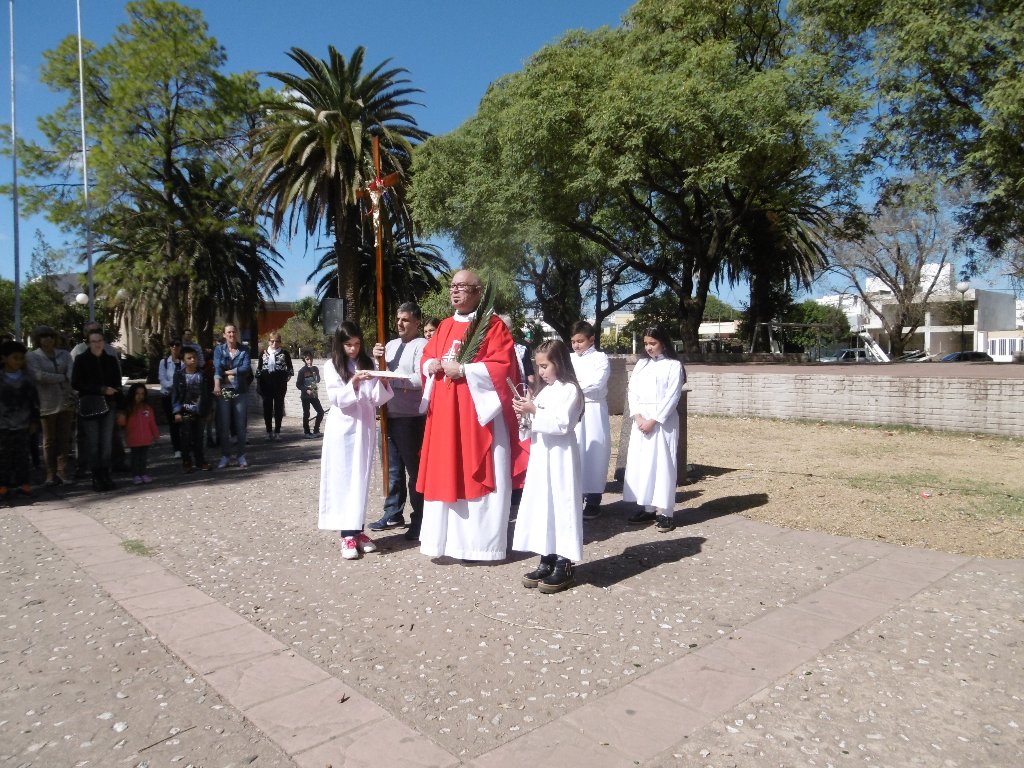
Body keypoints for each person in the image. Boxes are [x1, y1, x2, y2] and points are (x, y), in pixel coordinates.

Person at [416, 269, 529, 562]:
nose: (455, 291)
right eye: (452, 286)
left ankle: (481, 546)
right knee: (446, 470)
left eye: (462, 287)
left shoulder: (493, 327)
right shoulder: (442, 327)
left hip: (478, 418)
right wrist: (432, 365)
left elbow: (504, 367)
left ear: (478, 292)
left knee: (480, 472)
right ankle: (445, 543)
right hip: (445, 417)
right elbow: (427, 356)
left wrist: (465, 369)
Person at [511, 339, 585, 593]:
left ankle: (564, 561)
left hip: (561, 456)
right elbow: (533, 426)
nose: (540, 371)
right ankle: (547, 555)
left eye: (545, 366)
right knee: (544, 504)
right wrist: (524, 414)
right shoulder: (545, 391)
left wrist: (534, 411)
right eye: (538, 366)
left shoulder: (570, 390)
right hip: (542, 456)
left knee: (562, 504)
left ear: (559, 363)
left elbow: (562, 424)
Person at [317, 322, 393, 560]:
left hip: (364, 427)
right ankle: (346, 535)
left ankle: (358, 530)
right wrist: (356, 382)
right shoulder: (331, 366)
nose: (353, 349)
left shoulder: (366, 363)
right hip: (342, 430)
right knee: (343, 479)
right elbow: (337, 398)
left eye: (357, 344)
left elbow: (377, 398)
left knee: (361, 477)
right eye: (348, 345)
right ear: (340, 344)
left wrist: (383, 377)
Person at [369, 302, 428, 539]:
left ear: (417, 322)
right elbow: (378, 375)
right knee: (392, 470)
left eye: (405, 319)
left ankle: (420, 518)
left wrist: (393, 379)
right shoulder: (390, 346)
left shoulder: (422, 346)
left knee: (414, 471)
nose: (400, 324)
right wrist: (376, 361)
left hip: (411, 418)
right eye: (397, 319)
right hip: (388, 415)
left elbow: (421, 379)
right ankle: (393, 512)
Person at [622, 326, 685, 532]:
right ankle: (648, 507)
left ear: (663, 343)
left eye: (653, 343)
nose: (648, 347)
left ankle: (666, 512)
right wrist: (638, 416)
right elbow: (632, 391)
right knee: (644, 464)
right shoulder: (641, 364)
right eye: (646, 343)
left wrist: (654, 420)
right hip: (641, 421)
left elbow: (672, 396)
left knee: (664, 465)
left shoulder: (674, 365)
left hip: (662, 423)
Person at [570, 321, 612, 519]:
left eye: (580, 341)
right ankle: (575, 498)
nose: (576, 345)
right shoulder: (568, 359)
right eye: (573, 341)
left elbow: (597, 382)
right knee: (576, 451)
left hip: (593, 408)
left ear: (591, 340)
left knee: (595, 453)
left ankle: (594, 500)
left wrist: (572, 388)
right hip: (572, 408)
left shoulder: (600, 358)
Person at [71, 329, 122, 492]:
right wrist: (100, 389)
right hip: (91, 405)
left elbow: (117, 383)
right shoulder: (81, 359)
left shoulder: (110, 359)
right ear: (88, 343)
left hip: (109, 405)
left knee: (106, 444)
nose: (97, 344)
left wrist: (119, 404)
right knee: (93, 443)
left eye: (100, 340)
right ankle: (96, 476)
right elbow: (76, 383)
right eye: (94, 341)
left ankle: (106, 475)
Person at [26, 325, 74, 485]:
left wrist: (63, 377)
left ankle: (63, 472)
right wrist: (61, 378)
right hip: (46, 402)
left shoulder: (65, 354)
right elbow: (38, 375)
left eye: (50, 336)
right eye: (44, 336)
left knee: (64, 438)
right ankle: (50, 473)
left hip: (66, 400)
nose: (48, 339)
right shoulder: (32, 356)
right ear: (38, 339)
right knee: (49, 440)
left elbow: (71, 373)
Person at [0, 340, 41, 497]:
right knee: (3, 456)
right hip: (3, 425)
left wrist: (34, 421)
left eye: (21, 358)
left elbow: (34, 403)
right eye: (14, 358)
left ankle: (23, 483)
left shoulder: (27, 380)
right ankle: (3, 485)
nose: (18, 361)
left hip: (23, 424)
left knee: (23, 455)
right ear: (4, 358)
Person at [213, 325, 252, 468]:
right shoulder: (219, 350)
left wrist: (229, 372)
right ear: (224, 335)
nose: (231, 334)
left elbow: (246, 368)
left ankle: (241, 456)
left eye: (234, 332)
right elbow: (217, 367)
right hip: (224, 391)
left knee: (241, 426)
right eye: (229, 332)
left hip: (240, 391)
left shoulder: (244, 350)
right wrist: (217, 384)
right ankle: (225, 456)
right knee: (224, 425)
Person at [172, 347, 212, 472]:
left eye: (194, 357)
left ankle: (200, 461)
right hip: (186, 411)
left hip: (200, 410)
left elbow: (207, 394)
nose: (193, 360)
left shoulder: (203, 374)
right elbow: (176, 394)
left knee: (199, 437)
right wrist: (177, 411)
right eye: (189, 358)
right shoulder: (179, 375)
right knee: (186, 437)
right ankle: (186, 462)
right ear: (183, 360)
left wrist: (209, 411)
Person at [256, 333, 293, 440]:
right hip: (266, 385)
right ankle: (268, 432)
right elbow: (259, 369)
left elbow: (290, 368)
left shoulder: (285, 353)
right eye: (272, 341)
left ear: (279, 342)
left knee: (278, 408)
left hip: (279, 385)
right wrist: (258, 384)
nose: (274, 343)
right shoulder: (263, 353)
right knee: (267, 409)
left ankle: (277, 432)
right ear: (268, 341)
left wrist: (287, 377)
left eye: (276, 341)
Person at [122, 383, 159, 484]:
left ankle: (143, 473)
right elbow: (122, 423)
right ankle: (136, 475)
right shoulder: (128, 408)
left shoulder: (147, 408)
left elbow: (152, 423)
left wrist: (156, 435)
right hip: (133, 439)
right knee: (135, 459)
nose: (140, 396)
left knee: (143, 458)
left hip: (146, 439)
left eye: (142, 394)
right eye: (137, 393)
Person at [158, 340, 184, 458]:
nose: (174, 347)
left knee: (183, 422)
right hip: (168, 396)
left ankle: (186, 446)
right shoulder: (164, 363)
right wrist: (176, 383)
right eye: (172, 344)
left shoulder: (184, 362)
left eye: (177, 344)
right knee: (173, 423)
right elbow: (163, 381)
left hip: (181, 397)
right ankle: (177, 448)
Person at [295, 353, 325, 438]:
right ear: (304, 360)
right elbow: (298, 384)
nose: (310, 361)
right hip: (306, 396)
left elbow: (318, 381)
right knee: (306, 414)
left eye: (311, 359)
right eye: (307, 359)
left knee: (320, 412)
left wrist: (316, 374)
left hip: (314, 394)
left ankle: (316, 430)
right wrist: (306, 390)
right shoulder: (302, 371)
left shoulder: (315, 368)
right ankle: (307, 432)